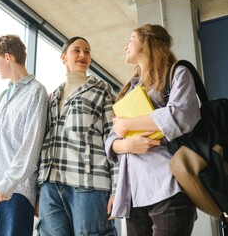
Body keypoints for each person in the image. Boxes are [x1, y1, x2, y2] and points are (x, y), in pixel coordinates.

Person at [105, 24, 200, 236]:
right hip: (135, 196)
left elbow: (181, 115)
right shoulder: (130, 89)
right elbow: (111, 140)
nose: (125, 47)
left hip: (168, 187)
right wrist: (127, 144)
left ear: (147, 42)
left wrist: (128, 125)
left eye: (131, 39)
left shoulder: (177, 74)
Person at [37, 36, 118, 236]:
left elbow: (114, 139)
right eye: (77, 50)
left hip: (89, 183)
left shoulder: (102, 91)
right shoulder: (53, 96)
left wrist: (117, 189)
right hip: (51, 184)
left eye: (87, 51)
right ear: (63, 57)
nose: (83, 55)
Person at [0, 34, 49, 236]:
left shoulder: (36, 91)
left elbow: (31, 146)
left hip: (15, 191)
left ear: (7, 57)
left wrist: (7, 184)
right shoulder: (3, 96)